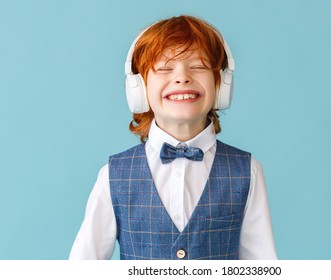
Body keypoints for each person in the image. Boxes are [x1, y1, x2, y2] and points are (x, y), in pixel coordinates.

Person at [69, 15, 277, 260]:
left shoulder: (247, 171)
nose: (182, 77)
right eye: (165, 68)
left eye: (198, 66)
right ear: (138, 89)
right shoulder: (114, 175)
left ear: (221, 84)